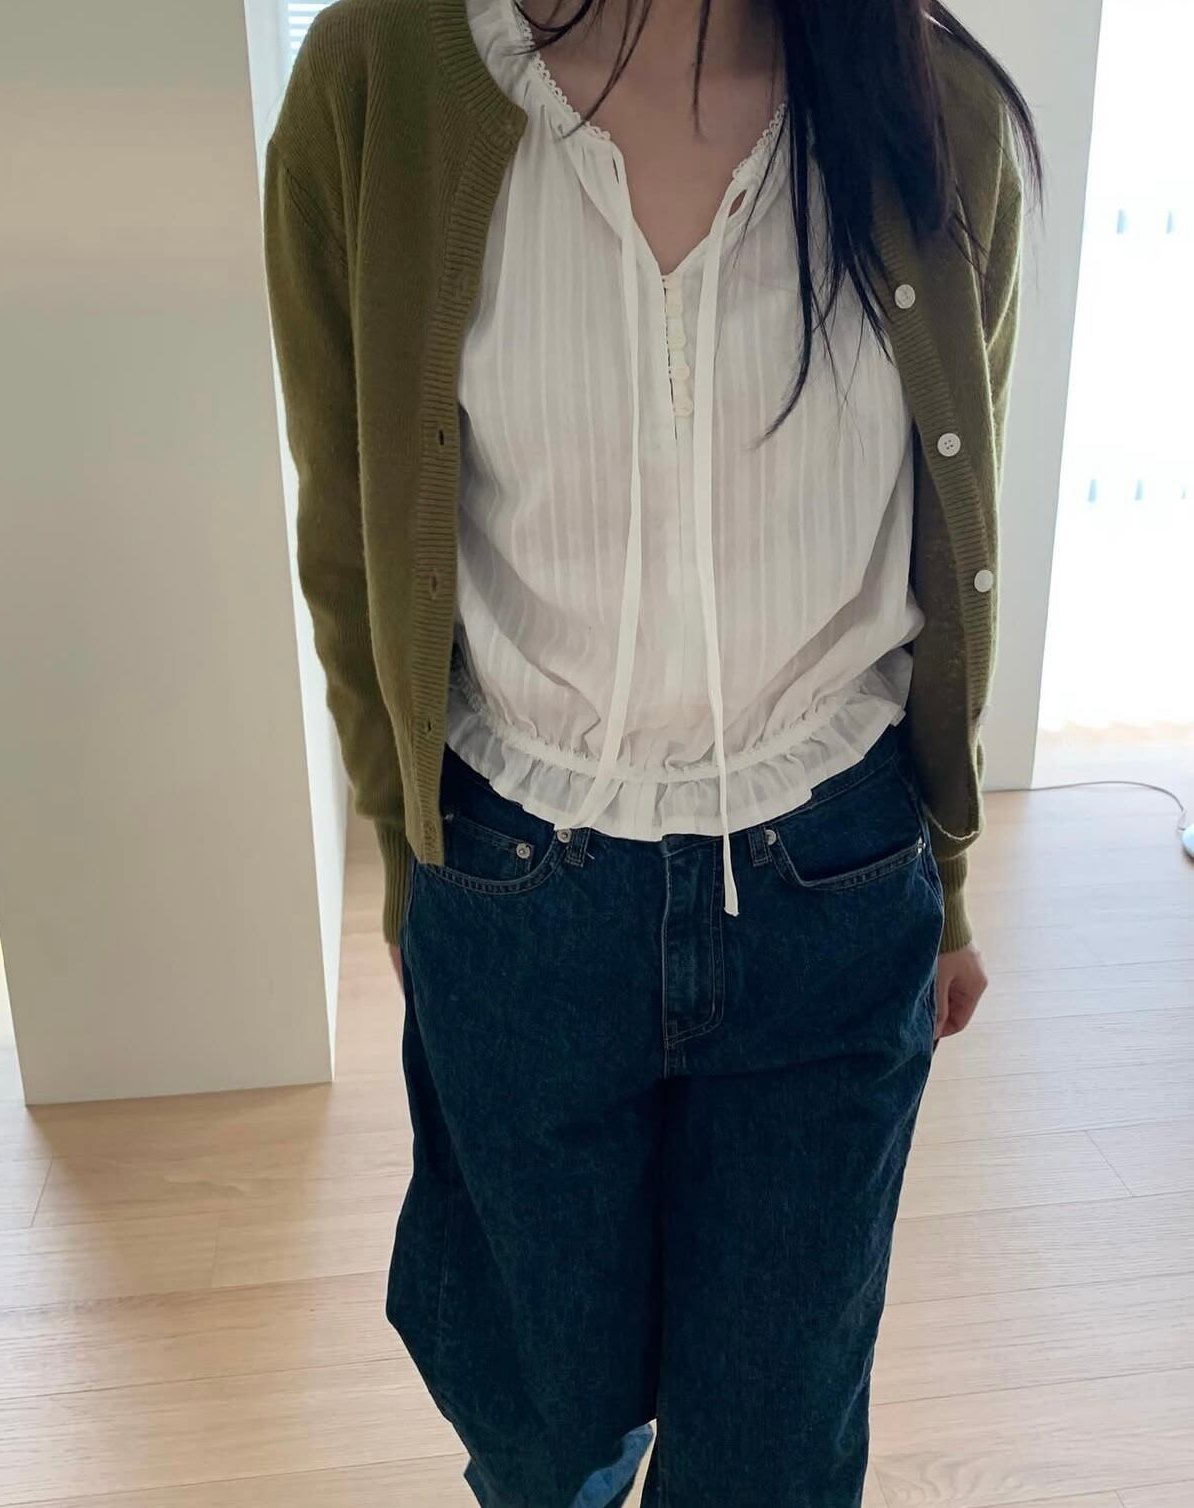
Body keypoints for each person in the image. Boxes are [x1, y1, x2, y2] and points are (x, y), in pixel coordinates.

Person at [262, 0, 1041, 1502]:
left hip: (830, 886)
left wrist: (942, 887)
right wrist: (412, 867)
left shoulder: (936, 108)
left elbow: (954, 539)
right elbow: (348, 527)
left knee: (771, 1457)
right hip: (520, 889)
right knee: (543, 1437)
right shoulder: (379, 78)